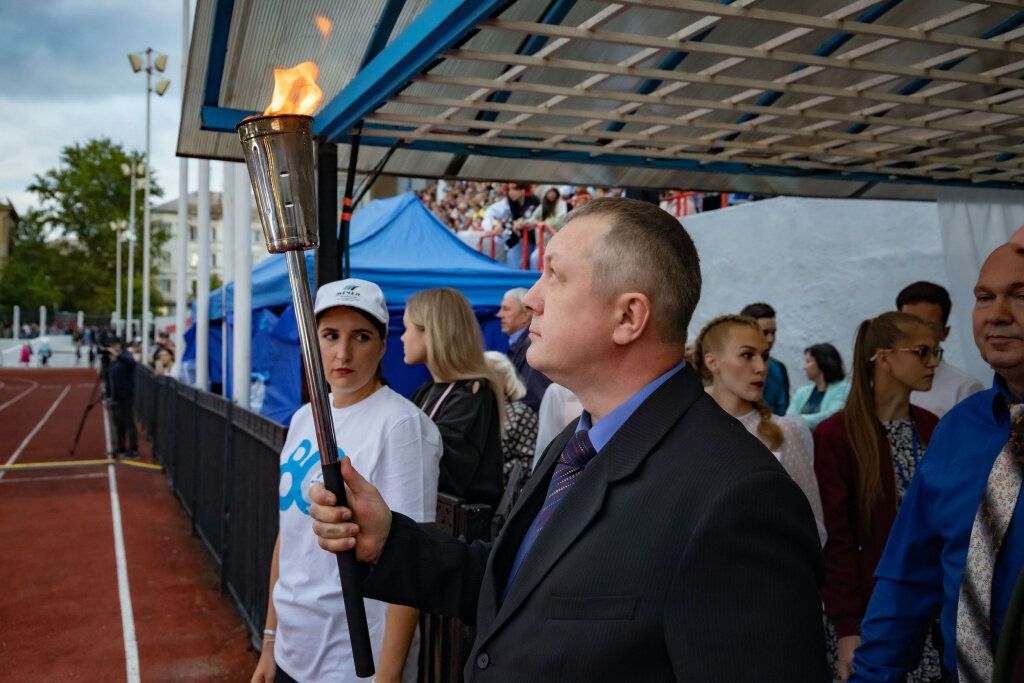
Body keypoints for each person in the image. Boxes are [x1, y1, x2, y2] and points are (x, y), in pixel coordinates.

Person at [309, 198, 828, 681]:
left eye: (553, 275)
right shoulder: (576, 444)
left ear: (628, 316)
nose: (532, 297)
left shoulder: (739, 496)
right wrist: (389, 541)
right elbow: (514, 585)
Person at [251, 278, 442, 683]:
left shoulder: (403, 426)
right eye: (330, 335)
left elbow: (410, 562)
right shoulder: (305, 419)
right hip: (291, 650)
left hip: (353, 664)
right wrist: (270, 641)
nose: (343, 352)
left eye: (361, 336)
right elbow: (290, 535)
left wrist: (387, 678)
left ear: (383, 345)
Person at [850, 244, 1024, 682]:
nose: (996, 314)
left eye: (1021, 295)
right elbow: (907, 577)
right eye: (984, 298)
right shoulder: (958, 430)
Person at [813, 312, 941, 682]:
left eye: (936, 351)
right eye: (921, 352)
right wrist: (847, 627)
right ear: (883, 358)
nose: (933, 362)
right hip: (872, 615)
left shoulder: (933, 426)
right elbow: (836, 541)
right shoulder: (837, 435)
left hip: (931, 611)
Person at [693, 314, 826, 545]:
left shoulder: (784, 431)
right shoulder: (688, 430)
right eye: (747, 355)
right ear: (712, 362)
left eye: (764, 356)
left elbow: (812, 524)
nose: (761, 367)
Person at [403, 288, 504, 509]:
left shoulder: (474, 391)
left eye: (406, 328)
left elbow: (446, 469)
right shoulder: (427, 389)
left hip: (460, 532)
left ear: (430, 332)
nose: (402, 337)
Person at [897, 281, 984, 417]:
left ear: (945, 333)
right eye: (909, 324)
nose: (917, 334)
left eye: (929, 326)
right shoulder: (884, 382)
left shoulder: (964, 389)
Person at [484, 350, 539, 485]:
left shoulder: (519, 413)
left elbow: (529, 461)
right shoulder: (472, 410)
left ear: (505, 379)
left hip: (502, 497)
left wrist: (488, 475)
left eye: (487, 375)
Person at [497, 287, 551, 412]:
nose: (499, 315)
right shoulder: (523, 344)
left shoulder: (532, 345)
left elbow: (534, 397)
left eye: (506, 309)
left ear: (525, 316)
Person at [741, 302, 791, 415]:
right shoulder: (731, 366)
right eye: (765, 332)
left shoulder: (778, 368)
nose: (770, 339)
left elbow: (782, 411)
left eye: (773, 332)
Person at [788, 343, 851, 431]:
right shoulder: (802, 392)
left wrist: (798, 421)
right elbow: (789, 417)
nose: (804, 367)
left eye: (808, 361)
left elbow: (831, 416)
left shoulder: (844, 389)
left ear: (822, 362)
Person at [481, 183, 539, 269]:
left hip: (535, 239)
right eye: (509, 189)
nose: (511, 192)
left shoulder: (533, 200)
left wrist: (516, 222)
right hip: (521, 239)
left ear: (522, 190)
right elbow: (510, 217)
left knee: (522, 256)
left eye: (514, 189)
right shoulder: (512, 201)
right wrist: (501, 225)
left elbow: (526, 217)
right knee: (511, 253)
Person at [105, 337, 138, 459]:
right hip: (116, 395)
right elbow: (110, 377)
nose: (112, 347)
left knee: (129, 422)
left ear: (119, 344)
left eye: (114, 344)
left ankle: (134, 449)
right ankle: (121, 446)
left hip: (126, 394)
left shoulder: (125, 355)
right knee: (118, 422)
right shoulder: (113, 359)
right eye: (111, 345)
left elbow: (131, 363)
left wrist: (117, 356)